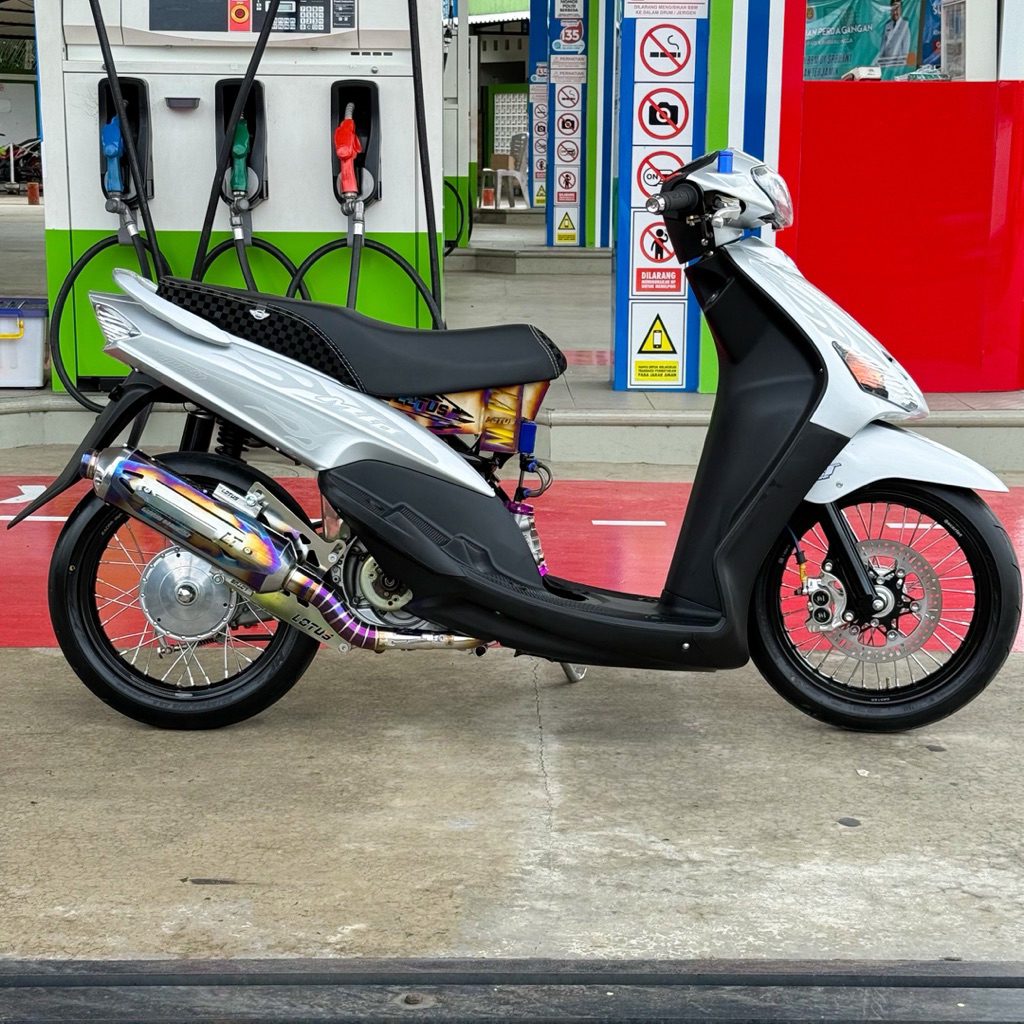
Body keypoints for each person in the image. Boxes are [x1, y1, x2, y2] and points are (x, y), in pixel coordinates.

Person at [876, 0, 911, 67]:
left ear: (900, 10)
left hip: (898, 65)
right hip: (886, 65)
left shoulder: (905, 25)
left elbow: (905, 51)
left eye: (897, 9)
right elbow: (883, 47)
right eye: (893, 9)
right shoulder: (887, 25)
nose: (895, 12)